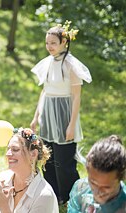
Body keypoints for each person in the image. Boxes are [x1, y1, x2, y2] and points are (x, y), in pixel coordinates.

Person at [30, 20, 92, 204]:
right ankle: (53, 195)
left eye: (53, 43)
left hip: (64, 114)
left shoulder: (71, 65)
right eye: (47, 43)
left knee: (64, 161)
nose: (49, 46)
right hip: (48, 112)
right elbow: (45, 90)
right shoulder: (47, 63)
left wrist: (71, 125)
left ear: (64, 42)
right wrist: (36, 117)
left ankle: (69, 195)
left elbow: (76, 97)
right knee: (48, 157)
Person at [0, 128, 58, 213]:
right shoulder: (2, 179)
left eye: (15, 149)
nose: (8, 154)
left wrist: (5, 207)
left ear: (33, 154)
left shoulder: (44, 195)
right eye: (8, 149)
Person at [68, 135, 126, 213]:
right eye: (93, 182)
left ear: (122, 177)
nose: (97, 192)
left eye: (106, 187)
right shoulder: (80, 188)